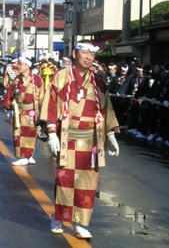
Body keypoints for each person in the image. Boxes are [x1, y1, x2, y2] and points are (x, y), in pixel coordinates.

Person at [39, 40, 120, 239]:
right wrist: (51, 132)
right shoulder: (61, 76)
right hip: (68, 137)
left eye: (92, 54)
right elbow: (50, 104)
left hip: (91, 139)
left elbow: (105, 107)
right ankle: (59, 216)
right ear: (75, 53)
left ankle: (80, 222)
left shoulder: (98, 80)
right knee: (65, 180)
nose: (89, 57)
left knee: (87, 183)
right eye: (84, 52)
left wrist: (110, 134)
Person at [2, 54, 44, 165]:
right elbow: (10, 94)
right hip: (18, 110)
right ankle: (22, 155)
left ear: (27, 66)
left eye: (20, 64)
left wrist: (42, 114)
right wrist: (8, 108)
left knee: (31, 133)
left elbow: (42, 97)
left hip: (31, 111)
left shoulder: (37, 80)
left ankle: (28, 155)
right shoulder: (16, 80)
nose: (18, 66)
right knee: (18, 132)